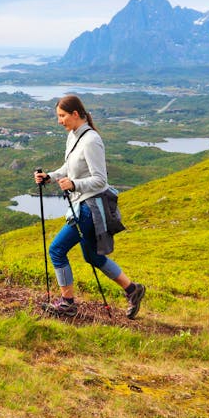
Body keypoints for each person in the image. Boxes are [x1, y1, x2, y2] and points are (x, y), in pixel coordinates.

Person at [34, 95, 145, 319]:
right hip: (80, 204)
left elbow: (100, 180)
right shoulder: (74, 135)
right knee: (92, 256)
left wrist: (75, 184)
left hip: (89, 208)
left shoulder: (91, 140)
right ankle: (133, 290)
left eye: (62, 116)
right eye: (58, 116)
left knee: (56, 250)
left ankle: (67, 303)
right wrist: (50, 177)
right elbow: (70, 166)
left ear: (76, 114)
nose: (59, 121)